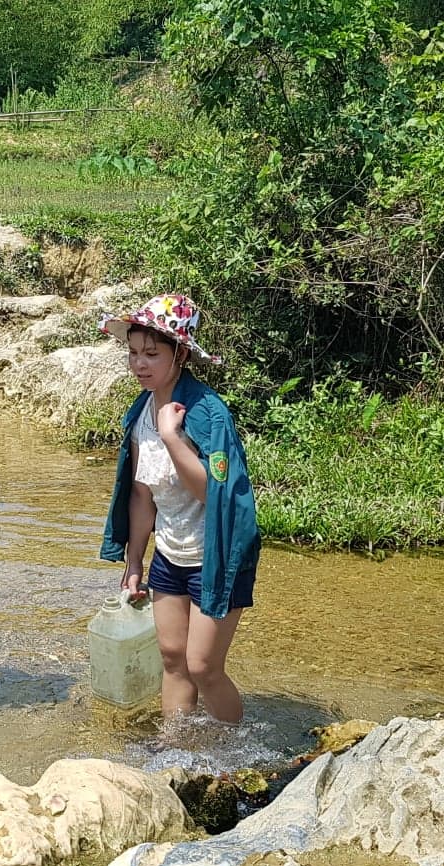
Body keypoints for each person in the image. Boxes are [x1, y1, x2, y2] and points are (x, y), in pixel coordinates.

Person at [98, 294, 260, 723]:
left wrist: (173, 438)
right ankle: (176, 750)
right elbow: (141, 494)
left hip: (218, 556)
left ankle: (232, 757)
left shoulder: (209, 414)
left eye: (152, 354)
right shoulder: (140, 414)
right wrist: (134, 562)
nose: (139, 364)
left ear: (181, 353)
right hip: (170, 553)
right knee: (172, 658)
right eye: (133, 353)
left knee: (204, 667)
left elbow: (214, 493)